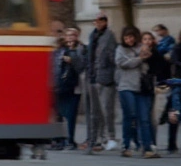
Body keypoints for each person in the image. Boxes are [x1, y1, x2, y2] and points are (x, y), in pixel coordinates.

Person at [114, 26, 156, 158]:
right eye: (126, 38)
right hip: (126, 87)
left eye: (131, 37)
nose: (129, 40)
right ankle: (126, 146)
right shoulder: (120, 49)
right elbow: (122, 63)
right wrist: (139, 59)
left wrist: (145, 57)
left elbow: (147, 65)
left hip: (141, 88)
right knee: (130, 115)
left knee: (144, 118)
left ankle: (147, 148)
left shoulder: (141, 47)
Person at [86, 13, 118, 153]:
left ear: (105, 22)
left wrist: (112, 75)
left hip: (106, 77)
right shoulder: (92, 36)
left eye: (100, 21)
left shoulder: (109, 36)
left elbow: (112, 57)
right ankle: (94, 139)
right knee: (94, 112)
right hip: (93, 76)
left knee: (107, 110)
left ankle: (110, 137)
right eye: (96, 21)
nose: (97, 23)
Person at [52, 27, 86, 150]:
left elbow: (81, 67)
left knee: (71, 115)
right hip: (60, 86)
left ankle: (70, 140)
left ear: (77, 37)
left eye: (73, 35)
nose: (71, 37)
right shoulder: (59, 51)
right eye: (68, 35)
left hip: (74, 87)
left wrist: (72, 59)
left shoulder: (81, 50)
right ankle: (59, 140)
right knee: (59, 114)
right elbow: (54, 67)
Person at [141, 31, 170, 151]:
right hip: (140, 88)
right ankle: (142, 141)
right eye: (145, 39)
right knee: (142, 116)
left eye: (149, 39)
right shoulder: (138, 53)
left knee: (152, 117)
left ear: (153, 41)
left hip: (153, 88)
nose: (147, 41)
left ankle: (152, 141)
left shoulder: (157, 54)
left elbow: (163, 70)